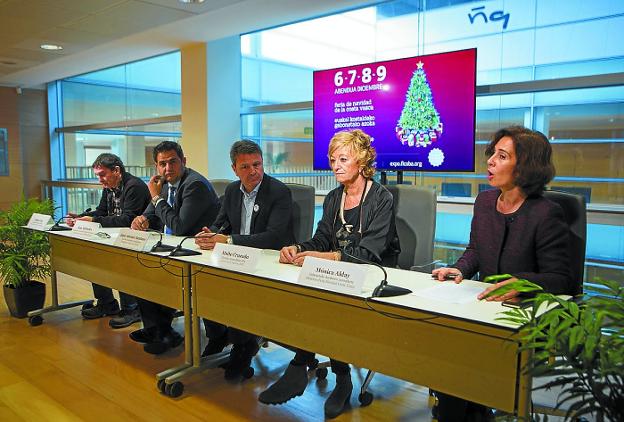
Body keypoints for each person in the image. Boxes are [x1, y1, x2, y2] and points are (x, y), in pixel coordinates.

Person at [431, 126, 572, 421]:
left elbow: (561, 277)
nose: (490, 161)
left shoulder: (546, 213)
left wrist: (523, 283)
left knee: (458, 361)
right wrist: (459, 268)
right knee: (446, 347)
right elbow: (475, 251)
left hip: (524, 316)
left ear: (525, 167)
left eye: (502, 155)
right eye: (492, 153)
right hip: (483, 309)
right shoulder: (484, 202)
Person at [258, 129, 400, 419]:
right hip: (337, 275)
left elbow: (369, 254)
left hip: (372, 277)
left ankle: (314, 369)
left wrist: (326, 257)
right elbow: (322, 239)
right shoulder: (335, 197)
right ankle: (329, 372)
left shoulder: (381, 197)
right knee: (312, 295)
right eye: (332, 159)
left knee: (332, 302)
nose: (335, 165)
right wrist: (297, 248)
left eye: (343, 159)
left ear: (361, 162)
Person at [195, 139, 295, 379]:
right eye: (245, 167)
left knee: (238, 288)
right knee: (204, 280)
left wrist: (228, 241)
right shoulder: (231, 191)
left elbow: (274, 237)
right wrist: (211, 234)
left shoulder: (279, 191)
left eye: (257, 165)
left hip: (269, 260)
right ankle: (218, 335)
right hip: (238, 256)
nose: (253, 172)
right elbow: (222, 222)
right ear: (234, 169)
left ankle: (244, 345)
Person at [129, 141, 220, 355]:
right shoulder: (166, 184)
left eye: (173, 162)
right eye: (162, 164)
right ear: (156, 167)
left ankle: (163, 331)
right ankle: (157, 329)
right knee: (140, 269)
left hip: (199, 254)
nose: (168, 168)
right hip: (176, 250)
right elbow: (151, 213)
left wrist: (156, 197)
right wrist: (140, 220)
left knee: (152, 271)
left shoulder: (194, 184)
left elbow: (179, 226)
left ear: (184, 162)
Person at [67, 153, 150, 328]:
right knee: (94, 258)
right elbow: (101, 211)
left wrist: (94, 221)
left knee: (120, 262)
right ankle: (107, 304)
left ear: (117, 171)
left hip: (137, 240)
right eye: (98, 176)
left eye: (102, 175)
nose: (100, 180)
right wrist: (82, 217)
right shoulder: (109, 187)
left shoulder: (134, 186)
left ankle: (132, 309)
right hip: (115, 236)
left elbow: (128, 219)